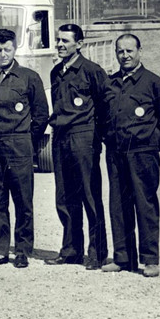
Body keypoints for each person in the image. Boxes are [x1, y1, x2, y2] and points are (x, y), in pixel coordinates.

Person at [0, 28, 49, 268]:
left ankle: (23, 251)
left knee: (23, 201)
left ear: (15, 49)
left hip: (18, 145)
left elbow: (41, 115)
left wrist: (26, 139)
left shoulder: (28, 77)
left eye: (7, 49)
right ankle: (1, 250)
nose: (2, 54)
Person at [102, 34, 160, 278]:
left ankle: (150, 260)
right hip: (116, 153)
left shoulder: (154, 83)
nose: (125, 55)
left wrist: (154, 144)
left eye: (129, 51)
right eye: (120, 51)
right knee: (118, 205)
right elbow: (103, 117)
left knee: (145, 205)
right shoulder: (110, 83)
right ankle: (123, 257)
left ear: (140, 52)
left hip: (143, 154)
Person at [46, 23, 109, 270]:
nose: (60, 45)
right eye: (58, 40)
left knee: (90, 196)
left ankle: (98, 253)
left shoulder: (92, 71)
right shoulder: (55, 72)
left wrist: (96, 135)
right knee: (64, 196)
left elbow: (106, 105)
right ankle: (71, 250)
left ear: (79, 44)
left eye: (65, 41)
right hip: (61, 137)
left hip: (84, 137)